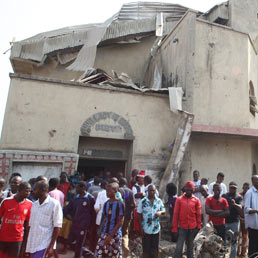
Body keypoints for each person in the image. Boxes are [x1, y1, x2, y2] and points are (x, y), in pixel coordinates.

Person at [25, 181, 63, 258]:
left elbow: (57, 227)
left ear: (42, 190)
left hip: (44, 245)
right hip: (32, 245)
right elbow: (30, 227)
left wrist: (51, 247)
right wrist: (27, 248)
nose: (33, 192)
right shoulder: (34, 205)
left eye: (35, 189)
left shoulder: (54, 204)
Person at [63, 181, 96, 258]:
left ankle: (79, 255)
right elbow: (67, 209)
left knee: (79, 244)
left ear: (83, 188)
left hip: (83, 226)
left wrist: (91, 226)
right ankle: (88, 253)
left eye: (78, 187)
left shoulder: (90, 198)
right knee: (70, 242)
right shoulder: (75, 198)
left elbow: (93, 213)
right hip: (75, 224)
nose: (76, 189)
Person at [0, 182, 32, 258]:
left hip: (17, 239)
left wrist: (26, 242)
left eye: (30, 191)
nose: (28, 193)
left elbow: (28, 224)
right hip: (3, 237)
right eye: (26, 191)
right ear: (19, 190)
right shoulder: (6, 201)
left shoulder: (30, 204)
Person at [172, 181, 202, 258]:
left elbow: (198, 215)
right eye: (187, 189)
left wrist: (199, 227)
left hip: (193, 228)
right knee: (179, 248)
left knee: (190, 249)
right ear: (185, 189)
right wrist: (174, 229)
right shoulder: (179, 200)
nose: (189, 191)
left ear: (193, 190)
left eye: (191, 190)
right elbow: (175, 215)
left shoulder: (196, 200)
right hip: (182, 228)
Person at [95, 182, 124, 258]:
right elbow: (104, 219)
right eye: (106, 191)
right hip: (105, 233)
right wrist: (101, 231)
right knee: (99, 253)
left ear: (115, 191)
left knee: (114, 254)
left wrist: (111, 236)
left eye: (109, 191)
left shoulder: (120, 204)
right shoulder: (106, 204)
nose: (107, 193)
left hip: (115, 235)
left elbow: (120, 222)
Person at [137, 184, 165, 258]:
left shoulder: (159, 201)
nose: (152, 192)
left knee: (155, 248)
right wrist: (141, 228)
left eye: (153, 190)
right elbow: (139, 215)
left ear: (155, 191)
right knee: (146, 249)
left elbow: (163, 210)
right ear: (147, 191)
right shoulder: (143, 201)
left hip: (156, 229)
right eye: (150, 190)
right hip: (146, 229)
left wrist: (160, 212)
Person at [222, 182, 243, 258]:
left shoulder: (238, 197)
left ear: (236, 189)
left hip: (235, 222)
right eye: (231, 188)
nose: (233, 189)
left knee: (234, 241)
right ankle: (223, 256)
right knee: (224, 241)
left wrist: (234, 204)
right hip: (225, 222)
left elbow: (240, 208)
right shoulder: (224, 196)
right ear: (229, 187)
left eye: (234, 188)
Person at [119, 177, 135, 258]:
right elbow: (133, 205)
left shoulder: (118, 191)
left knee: (117, 233)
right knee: (125, 233)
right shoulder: (130, 191)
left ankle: (118, 251)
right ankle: (125, 249)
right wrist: (129, 212)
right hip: (128, 217)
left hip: (119, 217)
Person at [244, 175, 258, 257]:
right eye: (257, 180)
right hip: (253, 225)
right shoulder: (249, 193)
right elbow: (246, 209)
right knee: (253, 247)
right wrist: (256, 211)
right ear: (253, 181)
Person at [237, 182, 250, 257]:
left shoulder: (250, 196)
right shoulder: (239, 195)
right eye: (244, 188)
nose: (246, 190)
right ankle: (237, 252)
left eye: (247, 188)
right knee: (238, 236)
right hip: (239, 218)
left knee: (245, 236)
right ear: (242, 188)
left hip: (246, 219)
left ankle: (243, 253)